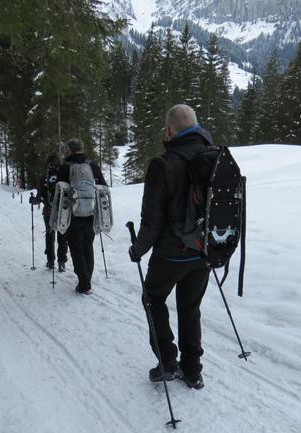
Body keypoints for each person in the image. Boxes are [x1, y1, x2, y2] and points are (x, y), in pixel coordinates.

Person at [128, 104, 213, 390]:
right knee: (190, 307)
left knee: (153, 298)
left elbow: (152, 220)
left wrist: (138, 249)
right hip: (204, 249)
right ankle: (193, 370)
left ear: (169, 129)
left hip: (171, 253)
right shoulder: (215, 157)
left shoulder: (163, 164)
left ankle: (167, 361)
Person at [57, 138, 107, 295]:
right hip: (91, 213)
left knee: (76, 249)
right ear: (82, 149)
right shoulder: (92, 165)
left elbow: (59, 192)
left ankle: (84, 284)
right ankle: (87, 279)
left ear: (69, 150)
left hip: (73, 215)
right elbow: (103, 187)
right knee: (88, 247)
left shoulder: (66, 167)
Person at [37, 153, 68, 271]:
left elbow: (38, 197)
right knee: (62, 234)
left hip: (48, 210)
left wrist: (33, 200)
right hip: (62, 210)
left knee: (50, 234)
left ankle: (50, 261)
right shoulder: (63, 175)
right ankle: (62, 261)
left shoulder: (43, 177)